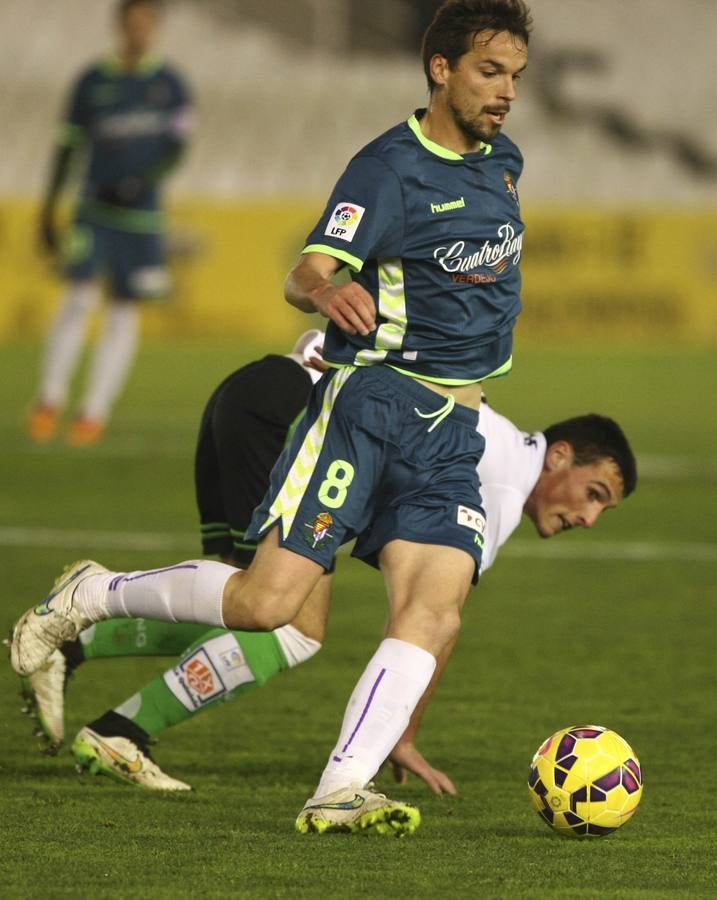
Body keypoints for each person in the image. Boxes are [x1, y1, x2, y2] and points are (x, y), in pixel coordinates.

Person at [13, 0, 537, 836]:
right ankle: (94, 594)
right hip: (371, 408)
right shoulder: (388, 168)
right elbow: (307, 268)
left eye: (514, 73)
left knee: (434, 607)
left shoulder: (502, 160)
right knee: (269, 608)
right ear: (439, 69)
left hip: (452, 432)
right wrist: (329, 290)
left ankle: (339, 789)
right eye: (488, 71)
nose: (505, 90)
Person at [18, 331, 637, 796]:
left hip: (256, 394)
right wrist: (402, 732)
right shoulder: (500, 487)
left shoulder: (488, 433)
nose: (588, 518)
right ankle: (117, 710)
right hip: (290, 422)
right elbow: (435, 623)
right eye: (594, 494)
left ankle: (75, 651)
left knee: (246, 603)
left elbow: (332, 340)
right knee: (289, 623)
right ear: (558, 456)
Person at [28, 0, 193, 447]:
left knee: (124, 309)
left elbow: (178, 147)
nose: (139, 31)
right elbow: (68, 146)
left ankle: (94, 411)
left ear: (154, 28)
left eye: (147, 23)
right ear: (120, 25)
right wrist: (48, 207)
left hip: (141, 219)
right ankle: (49, 398)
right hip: (93, 211)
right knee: (78, 299)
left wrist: (142, 181)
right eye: (132, 22)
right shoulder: (92, 80)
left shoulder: (170, 83)